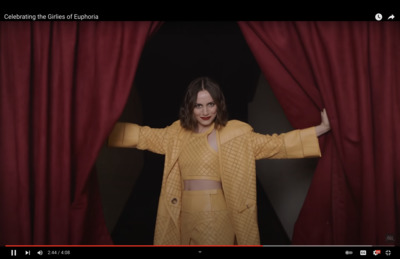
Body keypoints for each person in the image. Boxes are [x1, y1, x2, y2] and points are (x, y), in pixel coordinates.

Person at [108, 76, 331, 245]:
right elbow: (143, 136)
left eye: (211, 104)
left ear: (219, 104)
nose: (205, 111)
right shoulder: (176, 134)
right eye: (198, 105)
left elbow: (278, 144)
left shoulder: (235, 134)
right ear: (190, 106)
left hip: (215, 214)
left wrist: (320, 129)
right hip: (181, 213)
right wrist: (99, 129)